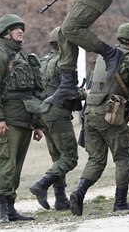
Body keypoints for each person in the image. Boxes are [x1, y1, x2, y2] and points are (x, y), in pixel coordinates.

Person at [68, 23, 129, 216]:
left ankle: (79, 192)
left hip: (90, 113)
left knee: (96, 159)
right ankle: (120, 202)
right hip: (110, 113)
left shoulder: (105, 56)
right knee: (124, 158)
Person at [0, 14, 44, 224]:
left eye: (21, 28)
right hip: (7, 121)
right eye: (15, 28)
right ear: (5, 32)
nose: (20, 31)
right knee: (6, 165)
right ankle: (2, 210)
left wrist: (37, 123)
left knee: (16, 167)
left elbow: (34, 91)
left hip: (25, 119)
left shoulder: (23, 57)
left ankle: (11, 207)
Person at [29, 27, 83, 211]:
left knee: (58, 157)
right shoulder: (63, 62)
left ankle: (60, 199)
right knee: (70, 157)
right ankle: (42, 185)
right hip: (58, 114)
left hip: (43, 113)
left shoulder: (42, 62)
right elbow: (70, 92)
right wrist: (86, 93)